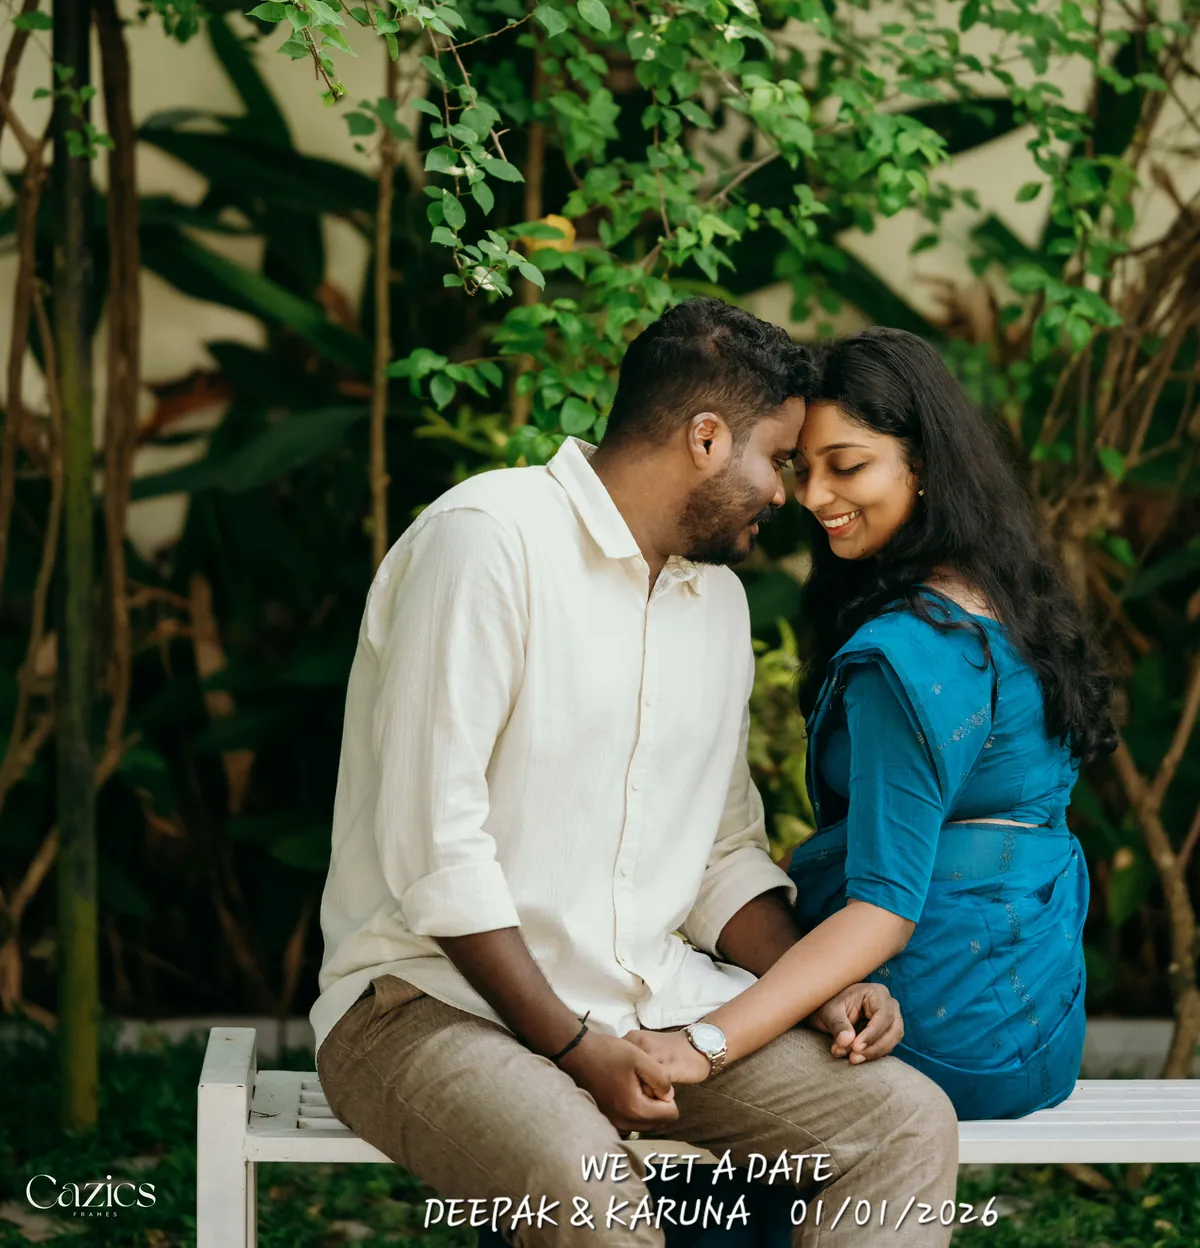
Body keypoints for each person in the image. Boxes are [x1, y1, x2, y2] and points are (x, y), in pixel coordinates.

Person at [313, 300, 959, 1248]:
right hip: (424, 1009)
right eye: (776, 459)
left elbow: (719, 856)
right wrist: (573, 1048)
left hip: (653, 1009)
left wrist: (812, 983)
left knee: (901, 1122)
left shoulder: (717, 607)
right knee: (581, 1182)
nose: (786, 494)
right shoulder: (490, 539)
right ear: (706, 439)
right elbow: (435, 852)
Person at [630, 327, 1114, 1123]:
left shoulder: (911, 655)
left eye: (847, 466)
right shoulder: (1000, 604)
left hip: (927, 1030)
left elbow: (881, 916)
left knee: (639, 1027)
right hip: (1033, 1027)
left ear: (921, 465)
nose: (816, 497)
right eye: (803, 468)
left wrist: (705, 1044)